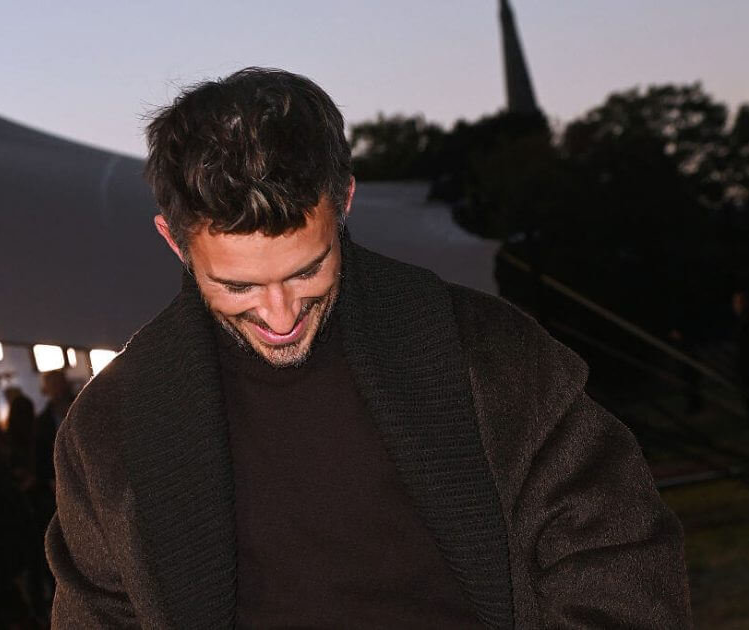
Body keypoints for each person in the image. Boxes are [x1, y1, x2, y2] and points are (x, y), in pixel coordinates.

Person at [46, 68, 691, 628]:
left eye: (307, 271)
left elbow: (619, 558)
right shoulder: (109, 429)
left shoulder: (488, 354)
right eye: (238, 286)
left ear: (346, 201)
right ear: (173, 241)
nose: (280, 315)